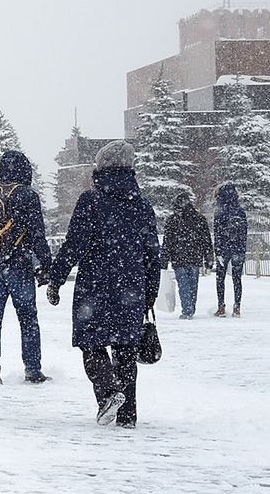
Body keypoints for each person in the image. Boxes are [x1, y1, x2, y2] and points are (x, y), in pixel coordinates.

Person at [46, 140, 160, 429]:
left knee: (91, 344)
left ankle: (109, 393)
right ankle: (128, 416)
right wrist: (149, 295)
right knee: (126, 353)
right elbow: (152, 254)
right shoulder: (143, 206)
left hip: (94, 287)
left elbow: (73, 245)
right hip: (131, 288)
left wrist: (56, 279)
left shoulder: (91, 201)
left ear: (101, 167)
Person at [0, 150, 53, 385]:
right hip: (20, 265)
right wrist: (46, 263)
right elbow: (37, 234)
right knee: (27, 317)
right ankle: (33, 369)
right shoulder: (26, 195)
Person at [161, 191, 213, 320]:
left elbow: (168, 242)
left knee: (183, 285)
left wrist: (164, 260)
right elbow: (206, 240)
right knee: (193, 284)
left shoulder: (173, 220)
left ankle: (187, 309)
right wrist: (208, 258)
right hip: (195, 256)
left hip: (179, 257)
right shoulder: (199, 218)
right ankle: (190, 308)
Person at [213, 183, 247, 318]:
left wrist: (218, 250)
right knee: (237, 278)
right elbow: (244, 233)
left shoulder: (220, 211)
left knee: (220, 278)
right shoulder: (240, 211)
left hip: (224, 248)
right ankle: (237, 307)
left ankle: (221, 306)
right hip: (238, 248)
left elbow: (217, 233)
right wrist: (242, 249)